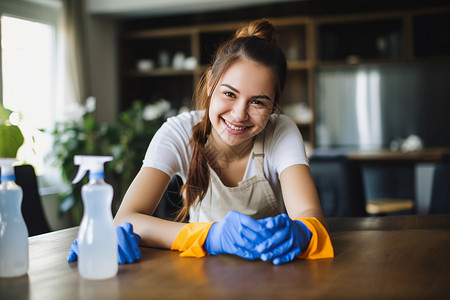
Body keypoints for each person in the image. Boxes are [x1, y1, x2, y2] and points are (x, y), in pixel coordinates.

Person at [68, 18, 333, 265]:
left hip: (271, 268)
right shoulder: (178, 132)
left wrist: (302, 233)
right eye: (229, 93)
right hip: (199, 270)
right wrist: (211, 236)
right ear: (209, 85)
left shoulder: (281, 131)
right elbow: (127, 219)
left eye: (258, 102)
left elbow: (310, 213)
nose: (239, 114)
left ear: (275, 104)